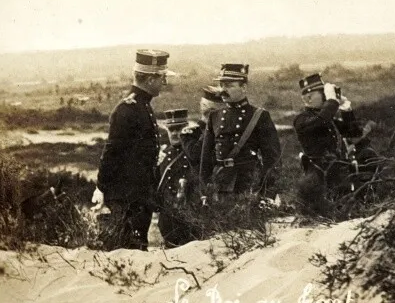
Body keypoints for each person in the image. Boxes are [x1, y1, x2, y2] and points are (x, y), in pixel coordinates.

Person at [91, 49, 176, 251]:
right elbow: (111, 153)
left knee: (136, 246)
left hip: (137, 195)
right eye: (161, 78)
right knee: (127, 248)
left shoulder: (141, 106)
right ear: (150, 79)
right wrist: (102, 188)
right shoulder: (128, 109)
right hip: (126, 197)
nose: (163, 84)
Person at [200, 64, 281, 199]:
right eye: (222, 85)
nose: (223, 90)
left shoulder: (259, 116)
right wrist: (204, 191)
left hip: (248, 186)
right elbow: (205, 158)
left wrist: (267, 194)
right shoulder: (214, 116)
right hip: (220, 185)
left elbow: (272, 159)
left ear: (243, 87)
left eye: (229, 86)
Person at [293, 73, 362, 215]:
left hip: (339, 177)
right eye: (323, 94)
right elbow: (320, 121)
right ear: (309, 97)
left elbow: (354, 134)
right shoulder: (301, 119)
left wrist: (346, 109)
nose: (326, 98)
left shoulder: (328, 118)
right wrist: (332, 101)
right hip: (318, 180)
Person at [156, 108, 202, 247]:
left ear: (186, 129)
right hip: (168, 219)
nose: (175, 133)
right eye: (171, 129)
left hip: (190, 216)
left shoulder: (193, 153)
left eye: (179, 129)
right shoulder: (163, 155)